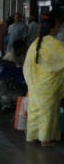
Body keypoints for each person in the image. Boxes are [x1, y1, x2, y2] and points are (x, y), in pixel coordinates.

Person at [23, 10, 64, 146]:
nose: (59, 28)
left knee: (35, 111)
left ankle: (33, 136)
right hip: (48, 85)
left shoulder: (35, 43)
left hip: (36, 84)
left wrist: (31, 83)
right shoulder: (54, 44)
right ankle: (45, 139)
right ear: (53, 27)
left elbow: (27, 67)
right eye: (58, 26)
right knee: (48, 112)